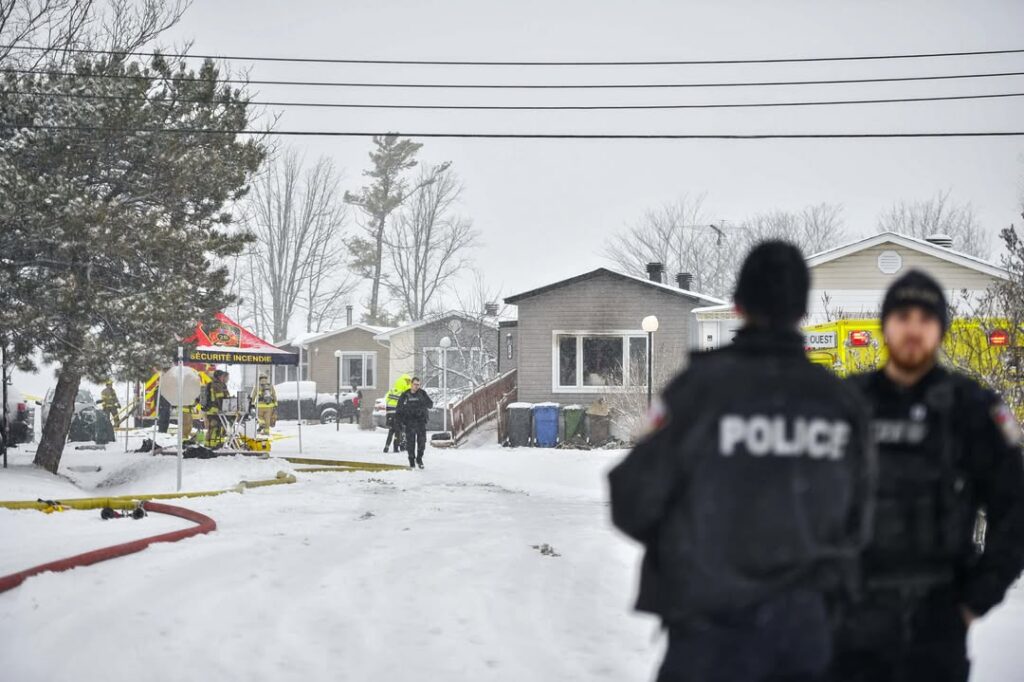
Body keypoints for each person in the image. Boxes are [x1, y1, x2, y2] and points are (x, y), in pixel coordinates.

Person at [609, 241, 875, 682]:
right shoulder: (841, 402)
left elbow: (632, 499)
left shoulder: (698, 391)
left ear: (737, 304)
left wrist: (689, 553)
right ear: (801, 311)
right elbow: (860, 519)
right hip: (805, 633)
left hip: (709, 628)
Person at [830, 270, 1024, 682]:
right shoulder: (845, 404)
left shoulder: (972, 409)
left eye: (926, 319)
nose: (913, 330)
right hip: (851, 623)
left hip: (937, 621)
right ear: (885, 326)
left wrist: (979, 595)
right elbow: (801, 501)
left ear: (941, 329)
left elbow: (1015, 507)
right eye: (903, 317)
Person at [397, 376, 434, 469]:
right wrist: (400, 422)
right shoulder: (405, 395)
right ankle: (411, 460)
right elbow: (399, 409)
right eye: (415, 384)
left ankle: (419, 459)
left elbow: (430, 404)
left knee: (422, 443)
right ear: (411, 384)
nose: (417, 386)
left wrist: (424, 402)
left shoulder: (422, 393)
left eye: (418, 384)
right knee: (410, 443)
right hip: (409, 422)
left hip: (421, 422)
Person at [384, 374, 412, 453]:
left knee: (391, 430)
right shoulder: (403, 393)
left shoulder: (392, 390)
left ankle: (386, 446)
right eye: (408, 382)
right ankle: (397, 447)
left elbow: (386, 400)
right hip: (397, 414)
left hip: (390, 413)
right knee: (399, 430)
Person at [205, 370, 230, 449]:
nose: (224, 378)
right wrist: (226, 407)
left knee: (211, 428)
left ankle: (208, 444)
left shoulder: (211, 384)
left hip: (210, 410)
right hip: (215, 410)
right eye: (223, 376)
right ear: (219, 377)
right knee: (215, 428)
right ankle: (213, 445)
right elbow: (220, 398)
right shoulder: (217, 385)